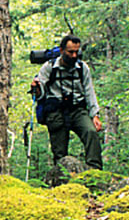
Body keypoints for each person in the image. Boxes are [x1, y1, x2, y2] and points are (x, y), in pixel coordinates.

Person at [31, 35, 103, 184]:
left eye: (76, 52)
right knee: (60, 152)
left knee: (91, 132)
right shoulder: (49, 67)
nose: (74, 55)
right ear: (62, 50)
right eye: (70, 52)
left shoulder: (82, 68)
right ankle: (61, 181)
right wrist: (36, 88)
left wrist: (94, 115)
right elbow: (40, 93)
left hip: (77, 109)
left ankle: (95, 173)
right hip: (56, 112)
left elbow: (89, 91)